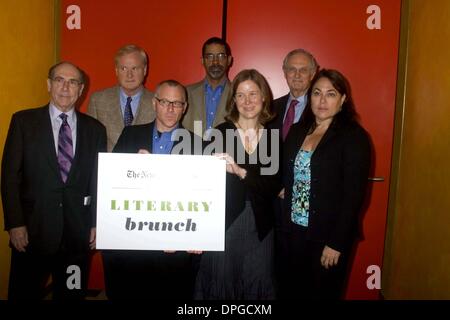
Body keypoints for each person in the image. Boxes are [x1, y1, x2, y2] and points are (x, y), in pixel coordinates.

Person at [1, 62, 107, 300]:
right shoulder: (23, 122)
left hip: (76, 238)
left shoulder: (96, 130)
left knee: (71, 295)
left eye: (73, 82)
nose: (65, 87)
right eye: (59, 80)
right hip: (30, 235)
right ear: (49, 84)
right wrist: (15, 223)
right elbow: (9, 176)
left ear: (81, 89)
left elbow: (97, 180)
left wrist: (95, 222)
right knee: (23, 294)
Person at [102, 79, 202, 300]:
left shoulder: (198, 145)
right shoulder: (130, 135)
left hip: (174, 247)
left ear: (184, 108)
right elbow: (112, 184)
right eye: (165, 101)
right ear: (154, 103)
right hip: (133, 242)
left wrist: (196, 235)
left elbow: (201, 199)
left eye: (177, 103)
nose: (170, 108)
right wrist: (130, 170)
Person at [282, 69, 371, 299]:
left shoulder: (354, 137)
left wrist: (336, 243)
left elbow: (354, 196)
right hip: (295, 231)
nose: (322, 101)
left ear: (342, 99)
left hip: (327, 235)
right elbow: (289, 172)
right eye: (317, 93)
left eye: (330, 94)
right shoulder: (298, 130)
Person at [195, 69, 281, 300]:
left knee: (258, 282)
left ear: (264, 97)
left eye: (253, 94)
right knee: (221, 283)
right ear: (233, 100)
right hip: (225, 222)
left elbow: (272, 188)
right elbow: (199, 182)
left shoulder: (273, 136)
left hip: (262, 224)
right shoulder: (219, 134)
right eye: (240, 95)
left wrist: (240, 171)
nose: (247, 101)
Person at [87, 44, 155, 152]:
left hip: (144, 168)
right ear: (116, 71)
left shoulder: (158, 103)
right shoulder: (98, 100)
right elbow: (89, 143)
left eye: (134, 68)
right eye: (123, 68)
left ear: (145, 70)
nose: (129, 75)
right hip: (107, 167)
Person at [182, 37, 233, 137]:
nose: (215, 62)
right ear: (202, 61)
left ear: (229, 60)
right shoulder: (185, 94)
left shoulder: (239, 96)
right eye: (209, 56)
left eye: (221, 56)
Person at [271, 48, 318, 140]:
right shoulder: (271, 107)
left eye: (303, 70)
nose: (297, 75)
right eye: (292, 69)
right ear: (285, 73)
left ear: (312, 74)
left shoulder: (321, 108)